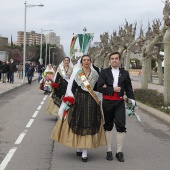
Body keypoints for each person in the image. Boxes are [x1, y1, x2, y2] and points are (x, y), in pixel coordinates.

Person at [51, 55, 106, 162]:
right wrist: (71, 100)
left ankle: (85, 151)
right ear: (81, 62)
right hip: (79, 101)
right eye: (84, 60)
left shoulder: (95, 74)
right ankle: (79, 146)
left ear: (91, 61)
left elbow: (97, 88)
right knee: (79, 122)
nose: (86, 62)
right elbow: (72, 88)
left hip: (91, 101)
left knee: (88, 123)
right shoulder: (78, 74)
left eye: (88, 60)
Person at [97, 52, 135, 162]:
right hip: (107, 102)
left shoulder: (124, 73)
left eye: (116, 58)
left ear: (119, 60)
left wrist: (132, 101)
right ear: (109, 61)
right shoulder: (104, 72)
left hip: (119, 103)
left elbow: (128, 88)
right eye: (112, 58)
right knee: (108, 126)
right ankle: (109, 150)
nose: (114, 60)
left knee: (121, 126)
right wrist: (112, 89)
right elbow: (100, 87)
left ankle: (119, 151)